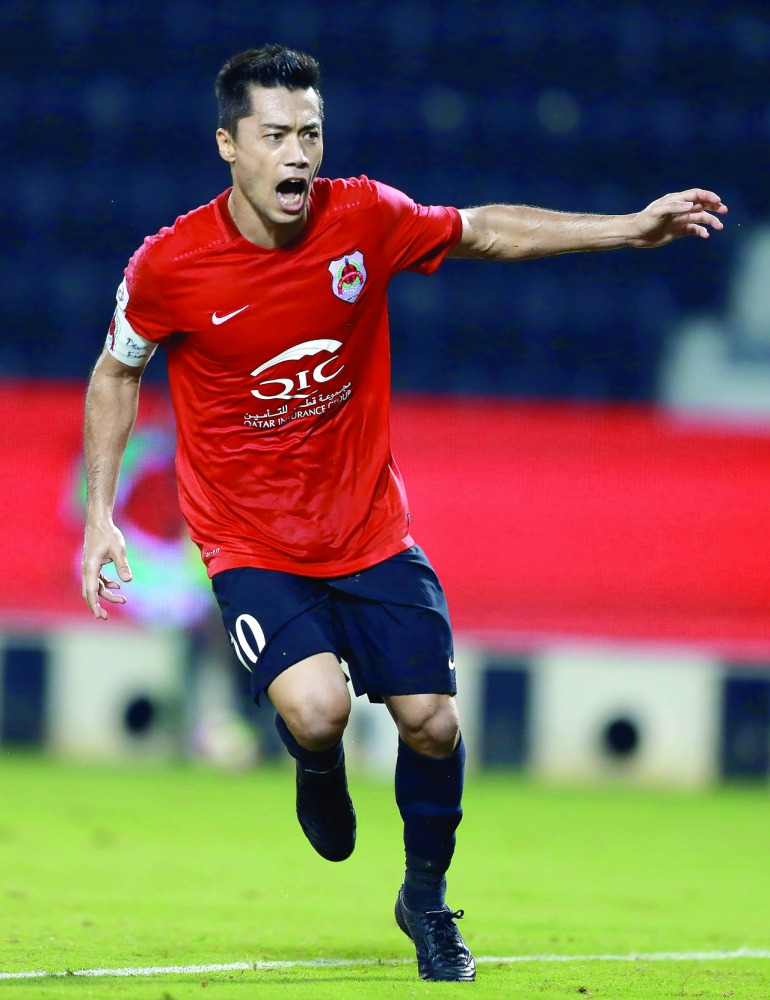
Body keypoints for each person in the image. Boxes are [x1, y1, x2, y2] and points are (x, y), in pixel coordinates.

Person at [81, 44, 727, 983]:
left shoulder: (365, 218)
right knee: (317, 709)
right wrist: (101, 513)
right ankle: (314, 759)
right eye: (275, 135)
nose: (297, 154)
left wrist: (630, 228)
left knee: (430, 722)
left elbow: (485, 231)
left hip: (370, 529)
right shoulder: (170, 266)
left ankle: (425, 898)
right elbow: (115, 371)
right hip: (249, 537)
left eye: (311, 132)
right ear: (228, 145)